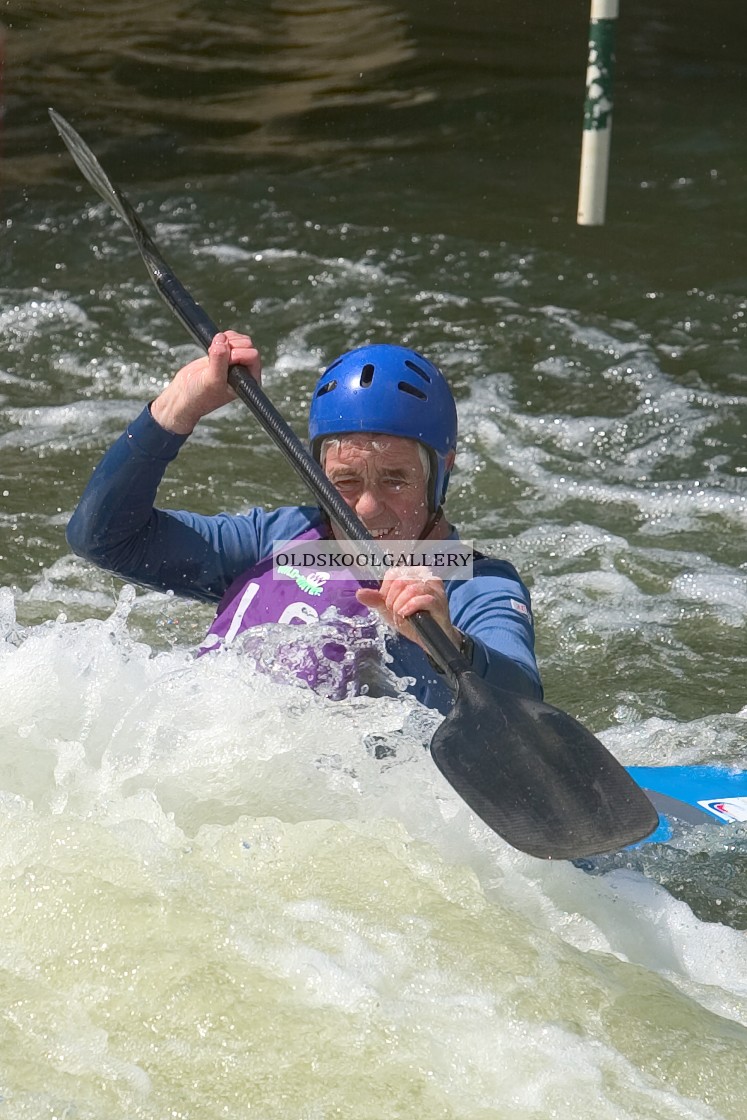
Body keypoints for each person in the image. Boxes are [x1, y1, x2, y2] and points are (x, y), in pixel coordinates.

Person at [67, 332, 543, 712]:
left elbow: (523, 699)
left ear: (442, 472)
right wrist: (176, 408)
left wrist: (448, 643)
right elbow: (104, 539)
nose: (367, 508)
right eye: (346, 480)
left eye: (396, 479)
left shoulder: (472, 580)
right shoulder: (274, 538)